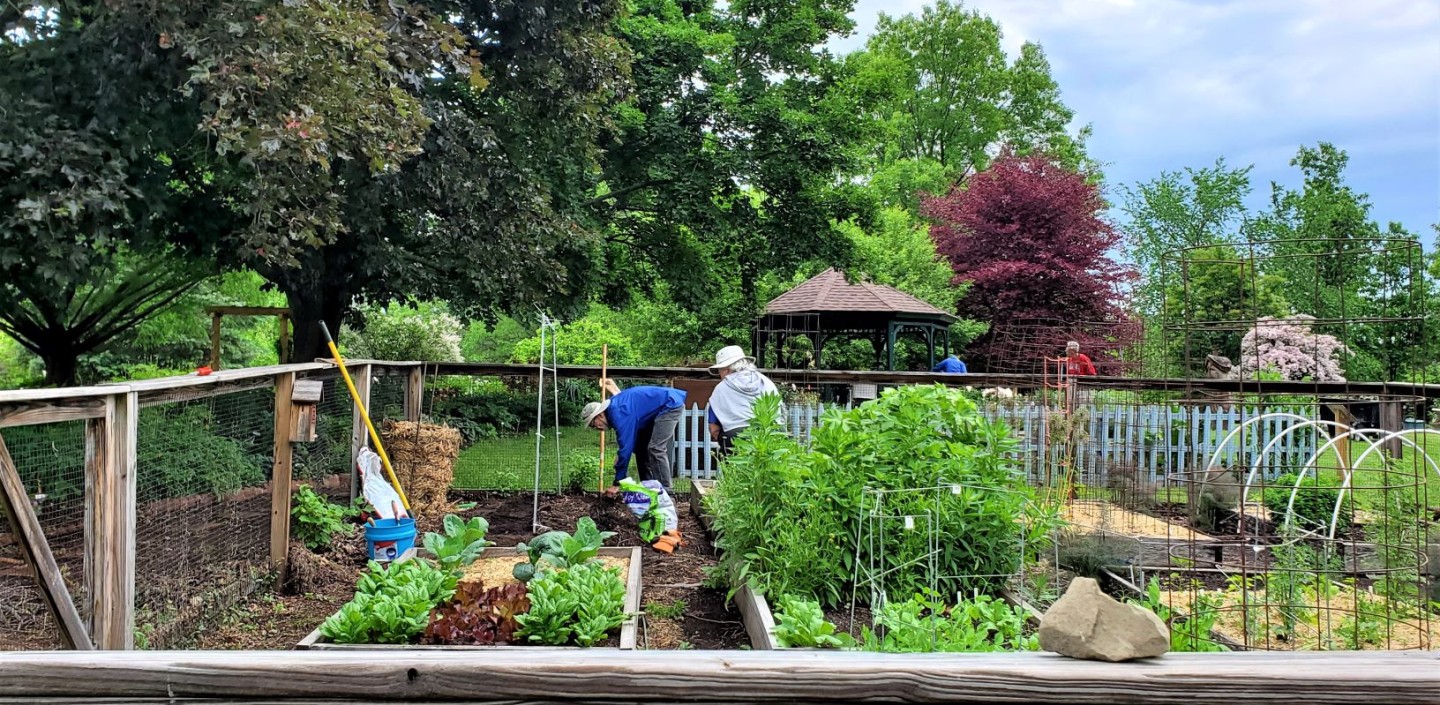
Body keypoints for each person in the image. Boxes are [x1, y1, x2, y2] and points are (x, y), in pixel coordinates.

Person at [581, 385, 686, 495]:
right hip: (654, 412)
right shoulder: (614, 411)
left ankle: (667, 494)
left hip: (669, 404)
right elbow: (629, 443)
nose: (597, 428)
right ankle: (650, 492)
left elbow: (625, 449)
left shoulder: (618, 414)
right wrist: (622, 453)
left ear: (600, 415)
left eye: (594, 424)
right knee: (640, 449)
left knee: (655, 448)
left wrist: (617, 483)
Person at [706, 345, 780, 455]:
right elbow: (779, 413)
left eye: (719, 371)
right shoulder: (766, 383)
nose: (720, 375)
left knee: (735, 470)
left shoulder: (721, 389)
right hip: (768, 435)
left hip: (735, 438)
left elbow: (713, 428)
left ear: (726, 370)